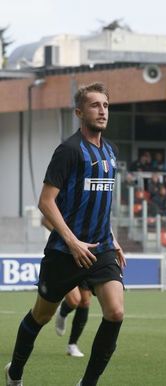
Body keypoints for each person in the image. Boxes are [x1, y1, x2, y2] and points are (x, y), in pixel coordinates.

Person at [5, 82, 126, 386]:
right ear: (79, 112)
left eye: (106, 105)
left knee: (115, 312)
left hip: (100, 248)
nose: (102, 111)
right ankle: (14, 372)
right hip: (64, 251)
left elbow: (100, 202)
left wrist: (112, 238)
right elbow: (45, 202)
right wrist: (72, 242)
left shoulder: (111, 151)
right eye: (95, 105)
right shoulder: (69, 150)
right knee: (41, 316)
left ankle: (87, 383)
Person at [41, 215, 93, 358]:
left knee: (85, 301)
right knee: (74, 300)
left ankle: (72, 345)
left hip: (85, 252)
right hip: (63, 253)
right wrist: (68, 238)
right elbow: (45, 220)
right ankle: (63, 312)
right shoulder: (64, 201)